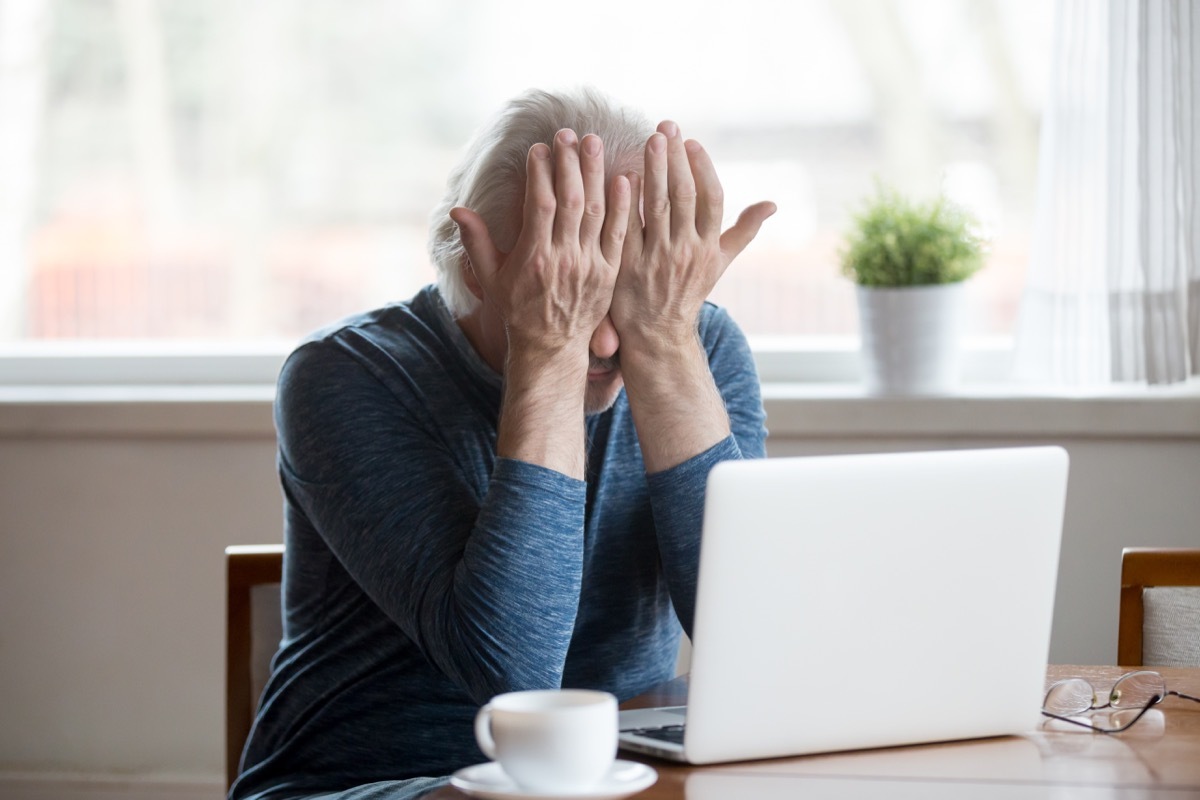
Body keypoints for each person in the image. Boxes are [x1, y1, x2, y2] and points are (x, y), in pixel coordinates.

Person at [231, 88, 774, 800]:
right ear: (475, 265)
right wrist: (548, 349)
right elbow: (512, 673)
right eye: (566, 286)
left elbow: (755, 649)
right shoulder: (344, 375)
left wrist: (667, 342)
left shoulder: (694, 346)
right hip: (375, 783)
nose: (609, 341)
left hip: (620, 783)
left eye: (630, 287)